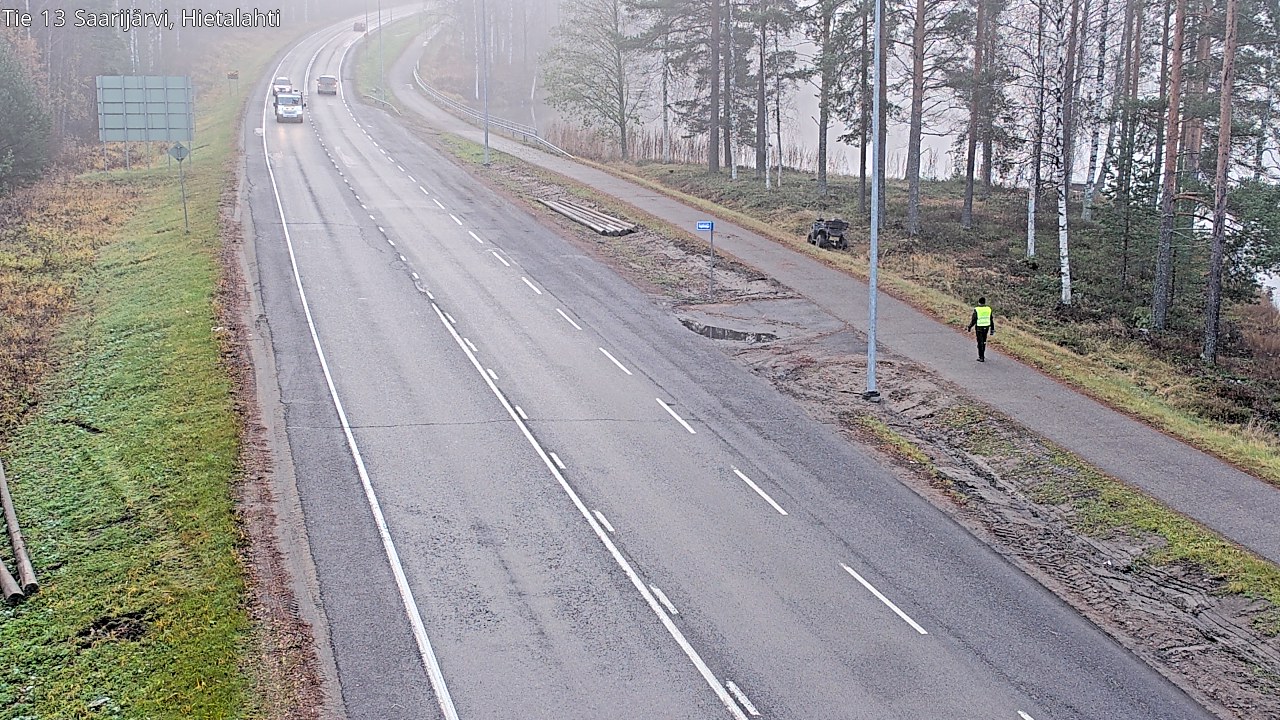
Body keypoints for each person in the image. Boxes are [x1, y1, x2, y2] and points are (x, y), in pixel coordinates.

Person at [967, 297, 994, 362]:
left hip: (979, 327)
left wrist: (969, 327)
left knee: (979, 342)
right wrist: (992, 329)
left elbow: (974, 319)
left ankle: (981, 357)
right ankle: (983, 355)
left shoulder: (977, 309)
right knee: (984, 341)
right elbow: (991, 319)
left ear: (979, 302)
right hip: (986, 326)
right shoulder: (988, 309)